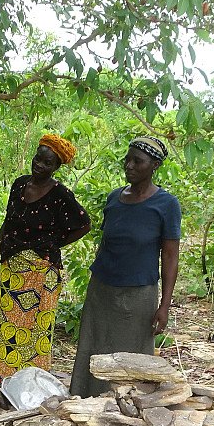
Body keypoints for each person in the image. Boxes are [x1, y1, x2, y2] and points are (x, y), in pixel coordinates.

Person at [69, 136, 181, 397]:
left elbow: (170, 256)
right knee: (95, 345)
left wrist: (164, 305)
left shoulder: (166, 205)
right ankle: (88, 400)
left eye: (137, 161)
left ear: (154, 165)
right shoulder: (114, 199)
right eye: (127, 160)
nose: (129, 166)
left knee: (132, 353)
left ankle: (129, 405)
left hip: (138, 294)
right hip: (102, 289)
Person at [0, 134, 91, 377]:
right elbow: (7, 223)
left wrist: (53, 244)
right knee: (8, 326)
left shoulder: (60, 194)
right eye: (38, 159)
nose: (39, 166)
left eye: (47, 163)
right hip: (12, 266)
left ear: (56, 167)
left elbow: (84, 224)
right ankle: (4, 379)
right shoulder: (19, 184)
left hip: (42, 271)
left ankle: (31, 382)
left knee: (35, 330)